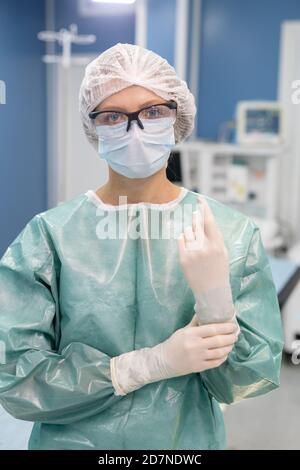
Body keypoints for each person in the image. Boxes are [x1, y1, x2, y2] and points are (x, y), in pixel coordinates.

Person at [0, 43, 283, 450]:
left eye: (152, 112)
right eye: (114, 116)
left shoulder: (231, 234)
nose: (135, 129)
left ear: (177, 116)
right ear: (93, 126)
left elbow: (242, 381)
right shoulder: (49, 236)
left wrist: (215, 304)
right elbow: (16, 380)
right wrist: (146, 365)